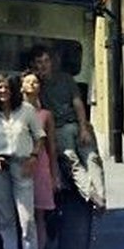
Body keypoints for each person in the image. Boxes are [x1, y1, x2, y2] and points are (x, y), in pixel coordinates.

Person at [29, 45, 106, 211]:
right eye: (39, 62)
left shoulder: (66, 79)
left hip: (76, 124)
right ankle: (91, 195)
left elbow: (77, 103)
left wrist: (84, 127)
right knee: (71, 159)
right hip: (58, 128)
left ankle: (102, 196)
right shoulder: (36, 84)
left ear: (52, 62)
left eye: (46, 61)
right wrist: (37, 82)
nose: (43, 65)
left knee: (92, 157)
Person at [0, 74, 46, 249]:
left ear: (13, 90)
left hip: (22, 164)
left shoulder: (27, 111)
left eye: (6, 88)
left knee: (27, 217)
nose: (2, 91)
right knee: (6, 217)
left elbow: (40, 136)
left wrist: (33, 157)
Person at [21, 70, 60, 249]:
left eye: (36, 82)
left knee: (38, 216)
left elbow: (51, 146)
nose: (32, 85)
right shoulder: (15, 112)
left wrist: (54, 174)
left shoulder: (46, 115)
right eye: (28, 82)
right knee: (23, 216)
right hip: (20, 164)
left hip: (40, 166)